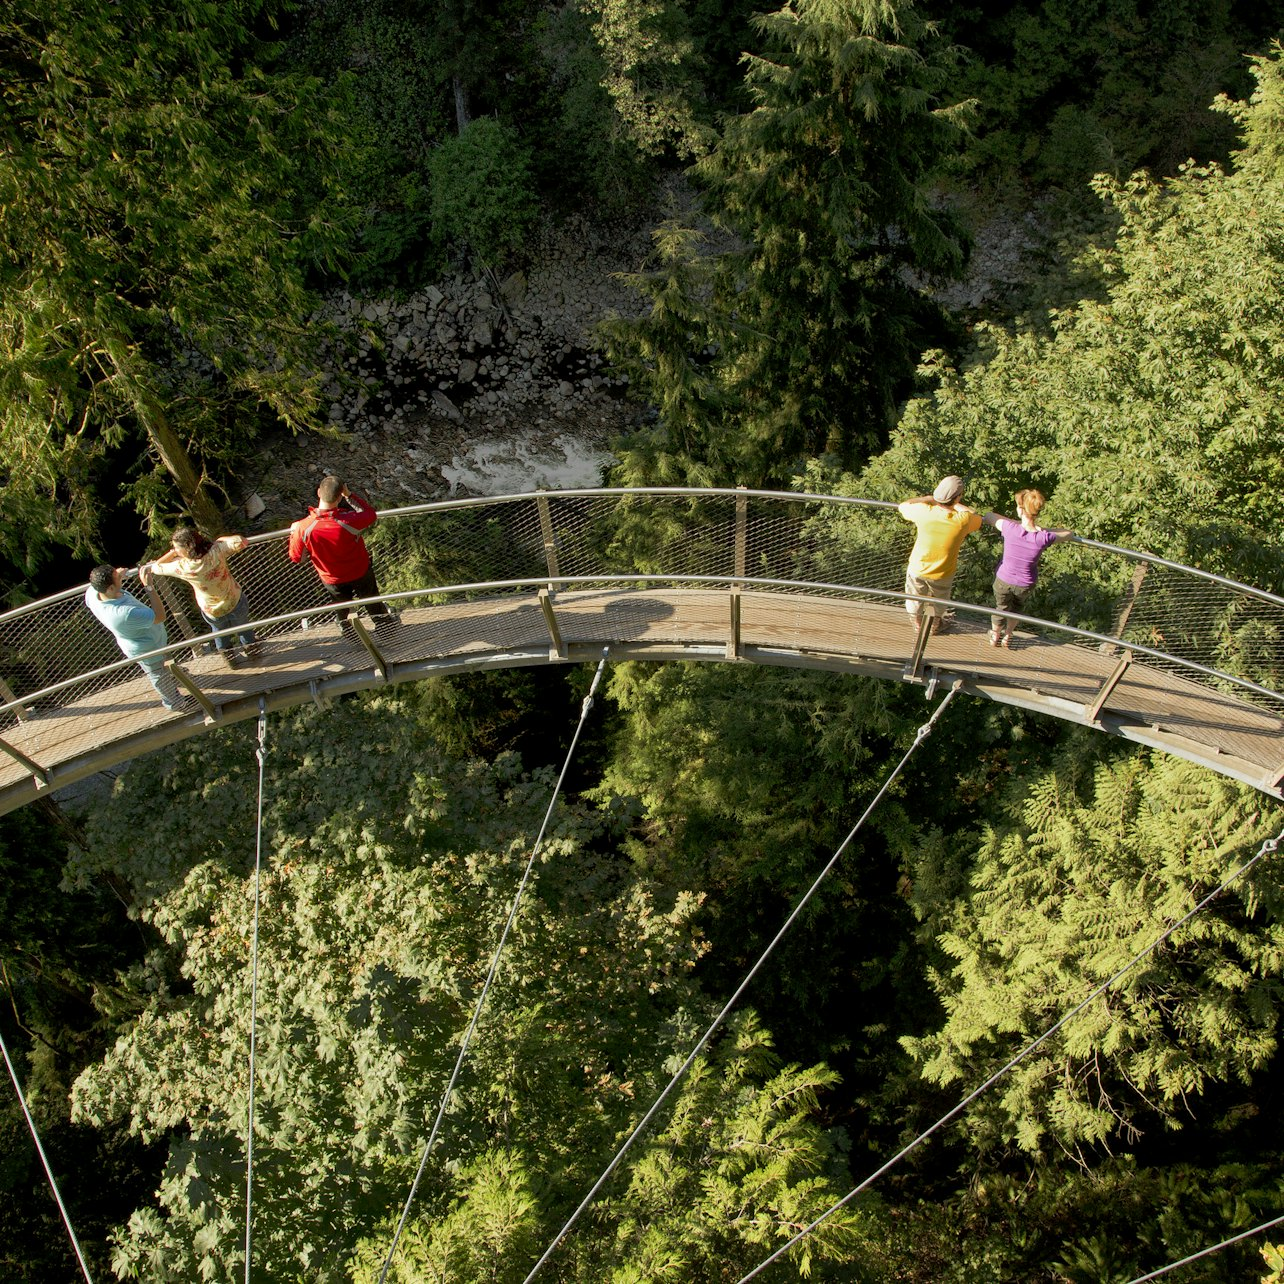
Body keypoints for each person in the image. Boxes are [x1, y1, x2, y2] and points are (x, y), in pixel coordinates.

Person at [288, 476, 396, 633]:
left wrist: (293, 533)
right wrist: (349, 495)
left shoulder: (303, 527)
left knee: (341, 606)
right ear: (339, 496)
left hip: (332, 578)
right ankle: (386, 629)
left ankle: (347, 630)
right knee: (372, 601)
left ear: (319, 493)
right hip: (360, 571)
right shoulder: (349, 520)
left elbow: (296, 557)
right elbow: (369, 514)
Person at [148, 527, 258, 668]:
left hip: (211, 609)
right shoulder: (217, 551)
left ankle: (230, 658)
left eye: (176, 548)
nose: (176, 550)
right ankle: (252, 650)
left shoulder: (183, 567)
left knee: (219, 632)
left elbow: (156, 567)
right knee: (243, 626)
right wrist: (220, 540)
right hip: (234, 599)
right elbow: (241, 541)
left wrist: (170, 554)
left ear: (187, 548)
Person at [84, 564, 185, 711]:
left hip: (152, 641)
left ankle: (175, 676)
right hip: (148, 649)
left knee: (163, 665)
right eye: (117, 578)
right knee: (158, 675)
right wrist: (149, 587)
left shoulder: (93, 592)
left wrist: (118, 576)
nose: (120, 577)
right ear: (110, 588)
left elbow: (102, 585)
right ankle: (175, 704)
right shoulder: (123, 614)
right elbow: (160, 616)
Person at [983, 488, 1074, 648]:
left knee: (1001, 608)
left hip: (1004, 578)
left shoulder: (1010, 528)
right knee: (1016, 609)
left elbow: (990, 516)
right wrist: (1042, 529)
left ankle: (995, 635)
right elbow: (1068, 533)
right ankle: (1008, 636)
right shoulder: (1043, 537)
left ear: (1021, 510)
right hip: (1025, 583)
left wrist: (1016, 522)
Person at [898, 475, 983, 633]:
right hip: (943, 571)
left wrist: (927, 499)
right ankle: (935, 624)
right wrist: (957, 505)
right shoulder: (962, 520)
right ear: (957, 498)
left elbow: (904, 505)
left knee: (914, 598)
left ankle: (917, 624)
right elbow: (975, 515)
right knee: (940, 600)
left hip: (918, 567)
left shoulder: (923, 511)